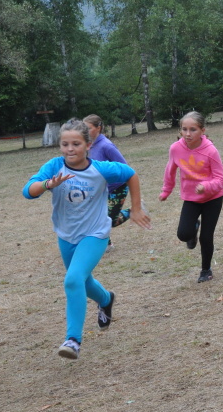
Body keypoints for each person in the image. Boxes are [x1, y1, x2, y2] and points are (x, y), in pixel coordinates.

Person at [23, 118, 152, 360]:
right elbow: (28, 191)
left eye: (76, 144)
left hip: (95, 234)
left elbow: (130, 174)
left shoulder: (101, 169)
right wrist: (47, 184)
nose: (70, 149)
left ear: (88, 145)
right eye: (65, 144)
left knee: (73, 280)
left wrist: (135, 209)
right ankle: (106, 299)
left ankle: (73, 340)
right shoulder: (54, 166)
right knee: (83, 280)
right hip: (66, 235)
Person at [159, 112, 223, 283]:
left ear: (202, 131)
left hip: (213, 198)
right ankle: (194, 226)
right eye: (184, 129)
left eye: (193, 130)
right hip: (191, 198)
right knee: (183, 234)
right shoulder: (176, 148)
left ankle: (206, 270)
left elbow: (220, 179)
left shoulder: (211, 150)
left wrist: (206, 186)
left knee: (206, 237)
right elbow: (170, 170)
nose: (188, 134)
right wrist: (166, 190)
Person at [84, 115, 133, 252]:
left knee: (110, 220)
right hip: (99, 189)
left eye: (88, 128)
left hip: (117, 188)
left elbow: (124, 167)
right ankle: (106, 244)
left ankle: (133, 211)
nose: (85, 131)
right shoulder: (88, 146)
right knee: (96, 217)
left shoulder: (107, 146)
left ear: (98, 128)